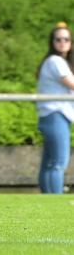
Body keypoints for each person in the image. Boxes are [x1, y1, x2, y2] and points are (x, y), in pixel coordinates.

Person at [36, 22, 74, 194]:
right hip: (55, 115)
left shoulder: (59, 61)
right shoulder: (55, 60)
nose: (62, 42)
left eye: (66, 39)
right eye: (58, 39)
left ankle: (47, 200)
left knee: (50, 162)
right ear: (52, 42)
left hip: (53, 115)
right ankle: (55, 200)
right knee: (59, 162)